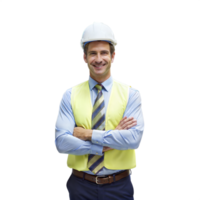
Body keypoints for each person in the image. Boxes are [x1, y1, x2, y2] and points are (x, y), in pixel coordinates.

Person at [54, 21, 145, 200]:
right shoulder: (69, 95)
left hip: (118, 185)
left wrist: (87, 134)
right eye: (93, 53)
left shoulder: (131, 95)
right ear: (85, 57)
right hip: (80, 185)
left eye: (104, 52)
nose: (98, 59)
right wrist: (105, 145)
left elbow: (133, 139)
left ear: (113, 56)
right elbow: (62, 142)